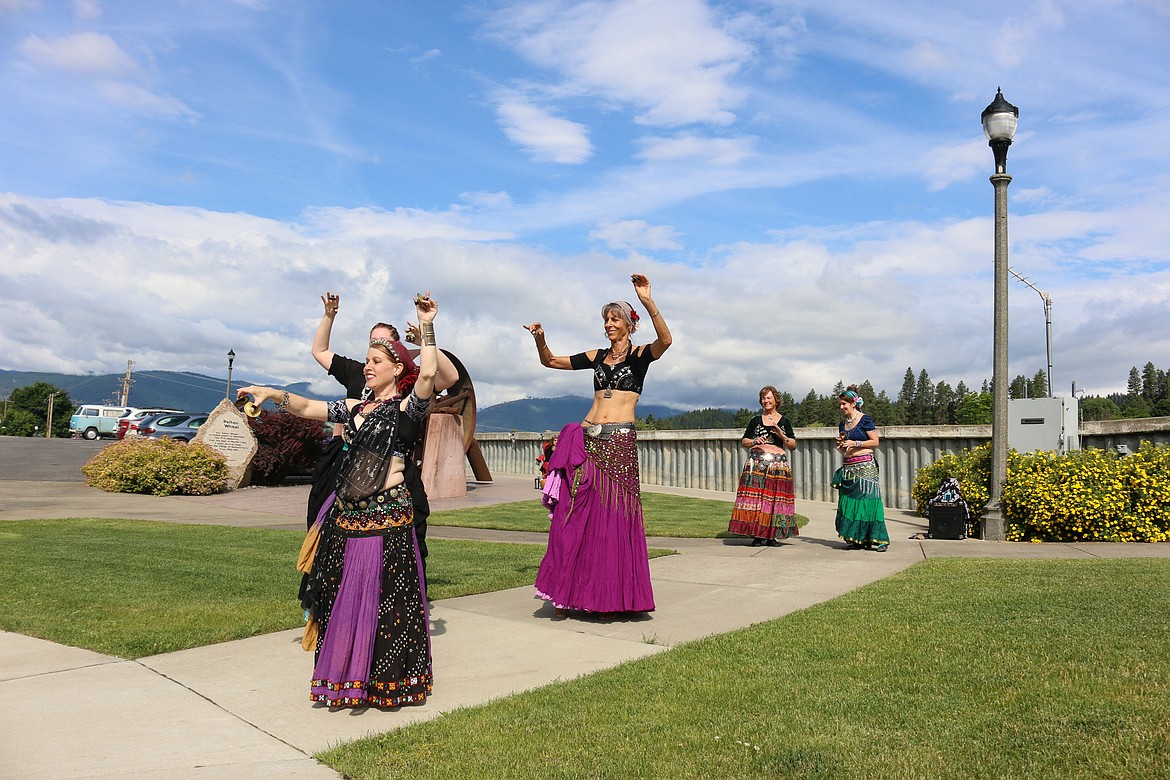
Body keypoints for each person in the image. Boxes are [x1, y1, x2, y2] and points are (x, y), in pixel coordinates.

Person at [239, 292, 440, 708]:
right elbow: (309, 406)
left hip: (388, 524)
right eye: (366, 361)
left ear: (397, 368)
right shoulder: (354, 408)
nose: (367, 367)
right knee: (345, 603)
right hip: (347, 522)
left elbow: (429, 375)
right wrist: (272, 392)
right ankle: (345, 678)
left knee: (388, 609)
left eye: (376, 362)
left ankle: (385, 685)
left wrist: (427, 326)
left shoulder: (407, 411)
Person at [523, 273, 672, 619]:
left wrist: (647, 300)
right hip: (589, 441)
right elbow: (550, 361)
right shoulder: (596, 357)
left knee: (614, 519)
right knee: (573, 517)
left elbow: (666, 339)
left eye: (614, 318)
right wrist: (540, 339)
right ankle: (567, 592)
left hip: (620, 444)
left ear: (628, 324)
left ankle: (610, 596)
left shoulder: (640, 356)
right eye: (606, 319)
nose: (608, 324)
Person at [309, 291, 458, 587]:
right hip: (347, 468)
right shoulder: (357, 373)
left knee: (409, 531)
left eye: (383, 346)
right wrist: (329, 315)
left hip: (393, 471)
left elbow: (443, 376)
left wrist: (425, 334)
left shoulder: (407, 382)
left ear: (397, 358)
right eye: (371, 344)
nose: (373, 354)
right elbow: (319, 353)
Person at [728, 386, 797, 546]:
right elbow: (744, 441)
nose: (766, 401)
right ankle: (758, 535)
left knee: (773, 500)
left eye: (769, 398)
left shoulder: (785, 421)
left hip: (778, 464)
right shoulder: (755, 420)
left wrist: (781, 435)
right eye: (763, 398)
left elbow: (793, 445)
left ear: (776, 400)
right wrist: (754, 441)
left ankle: (772, 535)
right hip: (757, 463)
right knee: (757, 500)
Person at [832, 385, 890, 552]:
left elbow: (875, 441)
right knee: (850, 503)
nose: (841, 407)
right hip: (849, 468)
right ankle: (857, 538)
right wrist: (842, 446)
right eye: (840, 404)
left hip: (865, 467)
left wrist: (855, 443)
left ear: (853, 403)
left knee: (869, 503)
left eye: (844, 404)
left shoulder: (865, 420)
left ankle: (879, 539)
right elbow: (845, 446)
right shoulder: (842, 424)